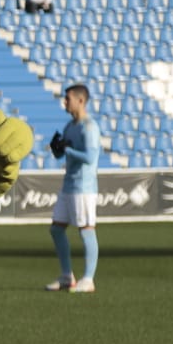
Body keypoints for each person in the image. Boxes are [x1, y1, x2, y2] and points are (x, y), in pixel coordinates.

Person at [47, 84, 101, 293]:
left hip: (84, 187)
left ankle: (88, 279)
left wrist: (68, 150)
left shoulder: (89, 127)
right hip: (69, 184)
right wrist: (58, 150)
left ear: (80, 100)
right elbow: (66, 154)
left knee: (86, 230)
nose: (65, 102)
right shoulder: (70, 126)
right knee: (56, 229)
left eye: (68, 98)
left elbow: (90, 157)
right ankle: (66, 276)